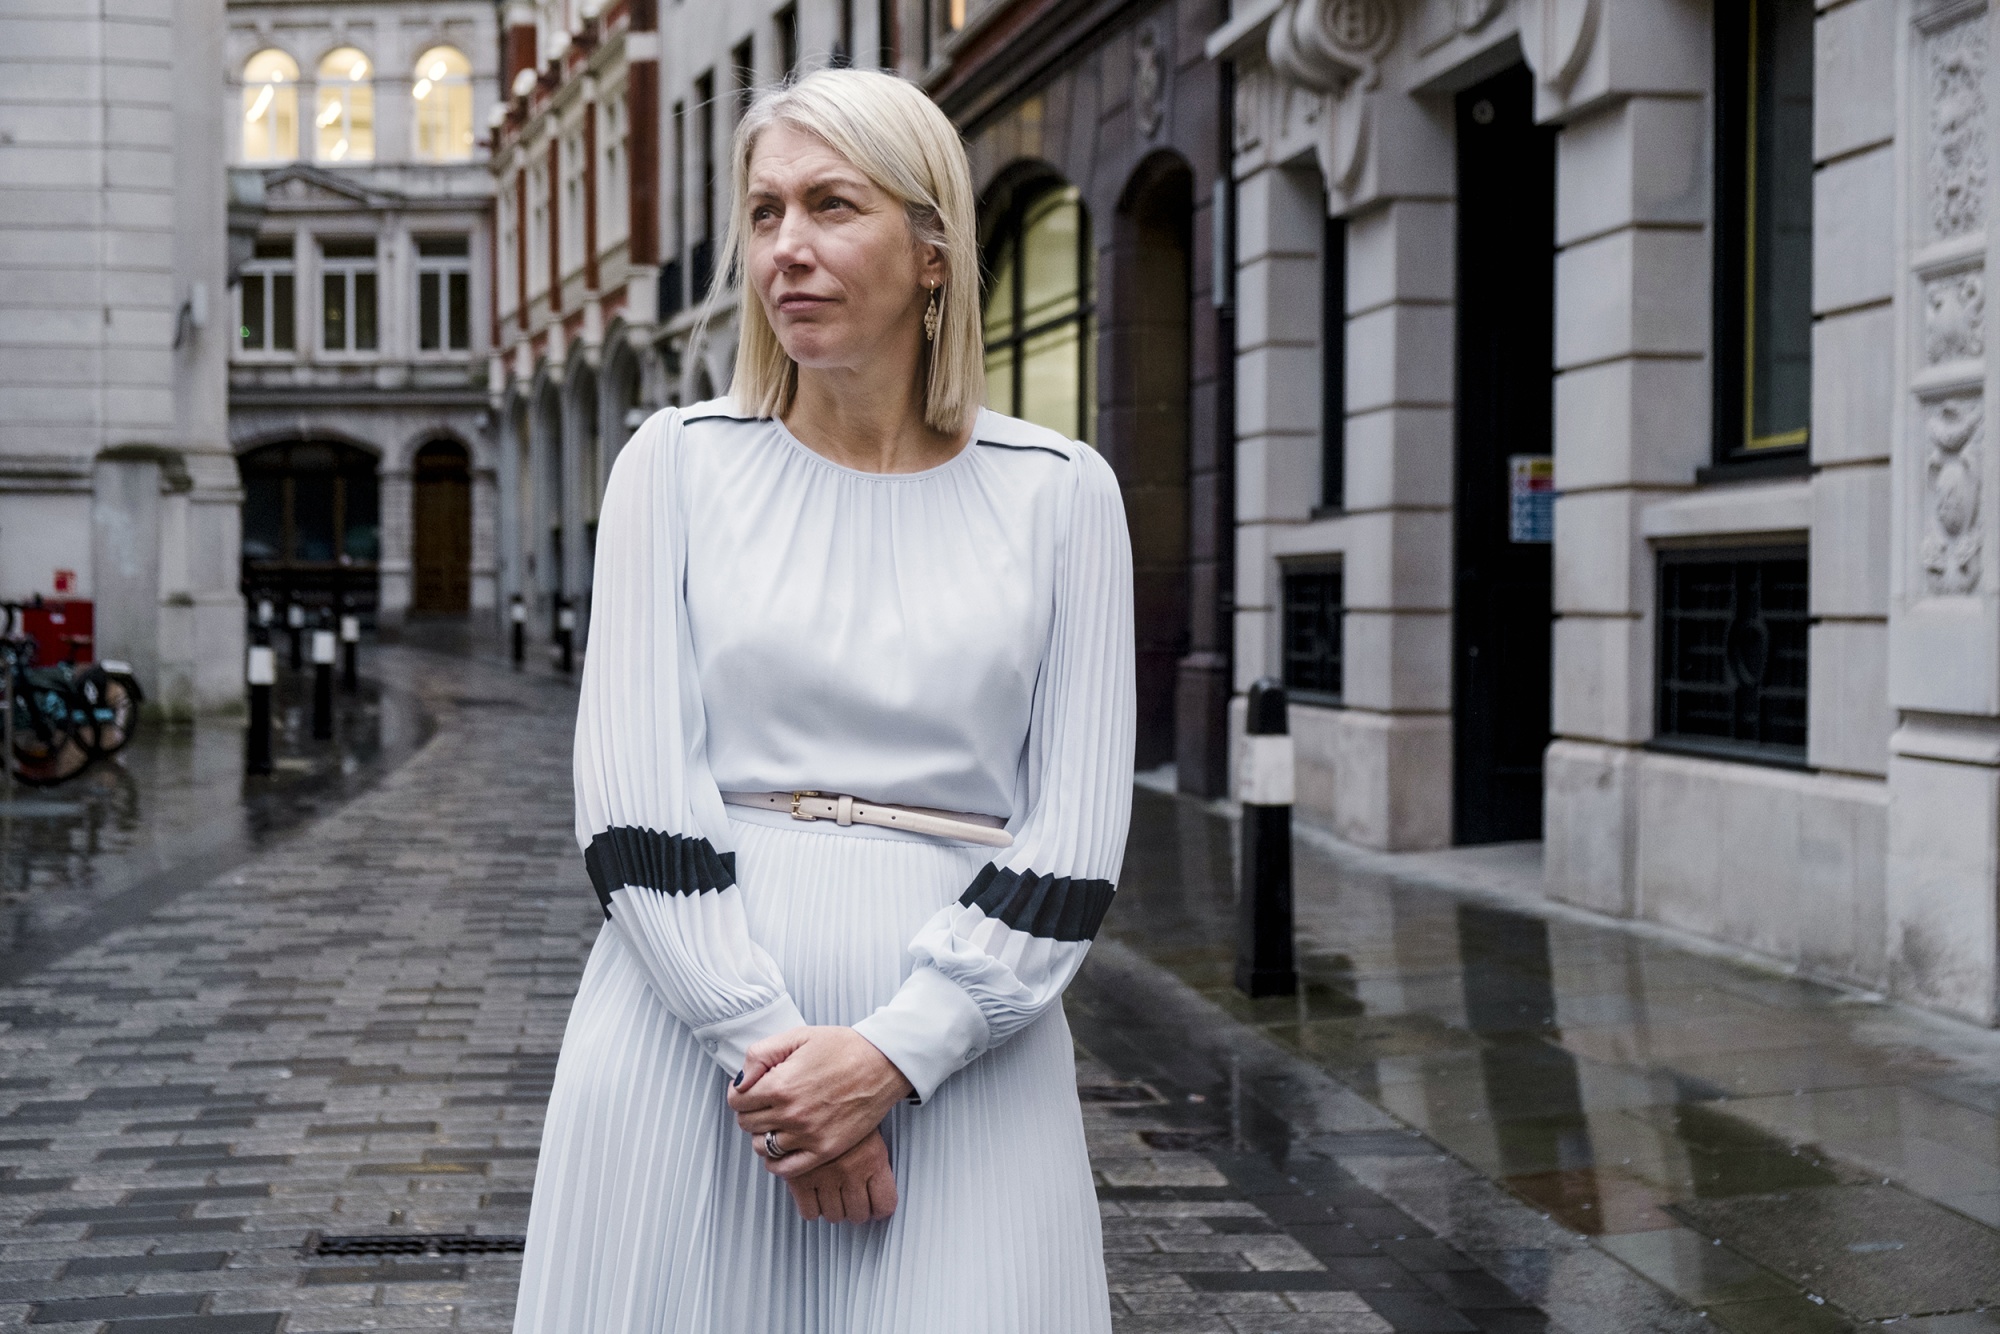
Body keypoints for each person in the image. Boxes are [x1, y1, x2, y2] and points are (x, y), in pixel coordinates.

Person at [510, 67, 1136, 1333]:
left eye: (831, 205)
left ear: (931, 252)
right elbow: (629, 792)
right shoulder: (674, 465)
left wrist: (896, 1054)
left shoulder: (1061, 492)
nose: (786, 247)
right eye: (763, 212)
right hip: (689, 1039)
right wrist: (781, 1066)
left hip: (971, 1056)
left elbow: (1073, 834)